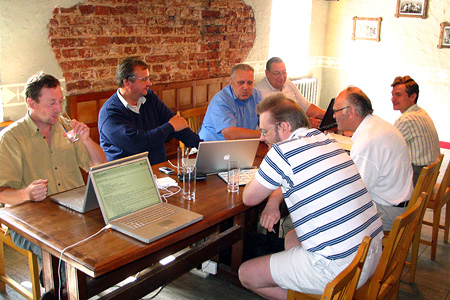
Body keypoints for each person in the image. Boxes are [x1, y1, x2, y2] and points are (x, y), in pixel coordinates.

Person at [238, 93, 383, 299]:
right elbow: (293, 176)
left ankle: (310, 296)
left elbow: (249, 198)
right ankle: (304, 284)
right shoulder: (327, 139)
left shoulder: (282, 152)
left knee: (246, 274)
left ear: (284, 127)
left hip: (338, 267)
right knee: (290, 238)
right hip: (368, 253)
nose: (262, 137)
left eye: (265, 131)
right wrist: (274, 198)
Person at [0, 72, 107, 289]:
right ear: (31, 102)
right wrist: (26, 193)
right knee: (62, 258)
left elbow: (100, 166)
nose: (58, 108)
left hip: (74, 213)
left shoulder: (66, 127)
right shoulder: (11, 139)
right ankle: (58, 287)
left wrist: (86, 141)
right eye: (51, 103)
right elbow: (2, 194)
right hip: (31, 221)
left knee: (112, 239)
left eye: (60, 101)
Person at [334, 86, 414, 231]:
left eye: (336, 111)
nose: (334, 116)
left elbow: (356, 195)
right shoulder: (377, 124)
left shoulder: (367, 141)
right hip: (400, 203)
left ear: (351, 112)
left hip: (389, 212)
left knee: (331, 218)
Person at [98, 57, 202, 165]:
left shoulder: (149, 98)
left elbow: (178, 126)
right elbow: (137, 143)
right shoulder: (110, 113)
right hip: (126, 175)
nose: (149, 83)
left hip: (158, 169)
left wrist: (202, 147)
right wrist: (170, 127)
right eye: (144, 79)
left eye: (149, 78)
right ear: (127, 83)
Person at [391, 76, 440, 185]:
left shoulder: (406, 120)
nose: (393, 99)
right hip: (429, 178)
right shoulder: (421, 112)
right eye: (392, 94)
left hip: (417, 179)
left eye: (398, 95)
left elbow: (384, 148)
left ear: (413, 96)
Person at [255, 57, 325, 128]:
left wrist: (327, 115)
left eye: (284, 72)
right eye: (277, 73)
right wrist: (305, 124)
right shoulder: (259, 92)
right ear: (267, 73)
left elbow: (305, 106)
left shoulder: (288, 83)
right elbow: (277, 124)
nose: (281, 77)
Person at [198, 63, 262, 141]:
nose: (246, 87)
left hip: (240, 146)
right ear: (231, 83)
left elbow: (268, 121)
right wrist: (263, 134)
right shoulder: (221, 100)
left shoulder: (257, 95)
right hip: (210, 147)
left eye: (249, 83)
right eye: (241, 83)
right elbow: (230, 134)